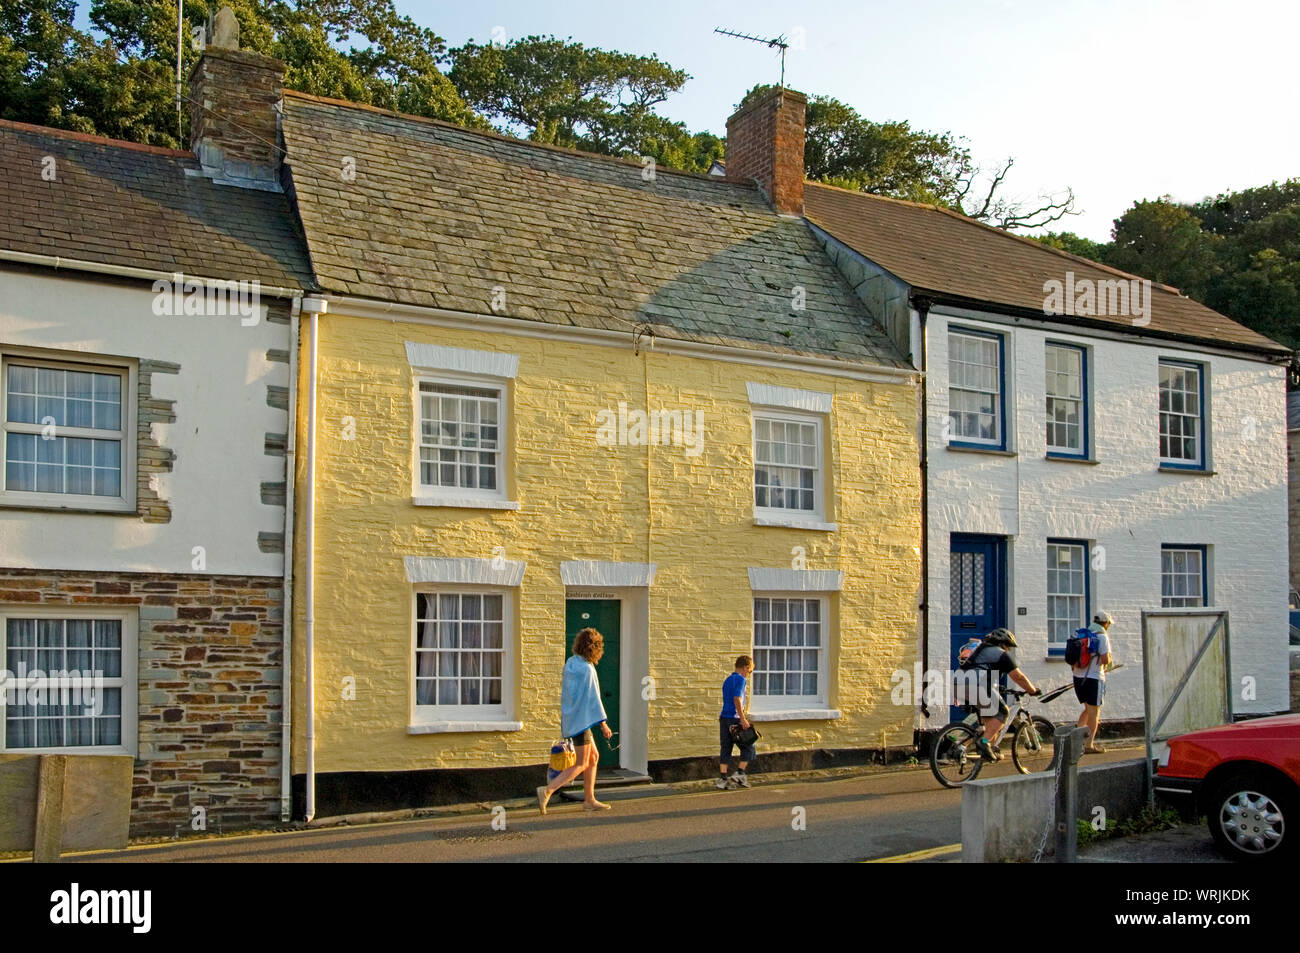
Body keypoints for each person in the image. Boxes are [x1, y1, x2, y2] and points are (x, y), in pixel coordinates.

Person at [537, 627, 613, 814]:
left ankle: (589, 799)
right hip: (582, 723)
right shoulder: (588, 669)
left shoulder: (571, 663)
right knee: (582, 762)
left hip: (573, 719)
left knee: (593, 758)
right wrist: (603, 724)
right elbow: (593, 698)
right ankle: (548, 790)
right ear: (594, 648)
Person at [965, 628, 1041, 762]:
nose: (1009, 650)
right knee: (1003, 713)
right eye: (1008, 646)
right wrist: (1032, 690)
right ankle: (983, 743)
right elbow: (1018, 677)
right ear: (1002, 644)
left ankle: (989, 750)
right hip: (977, 685)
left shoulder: (981, 649)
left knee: (990, 721)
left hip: (960, 683)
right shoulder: (999, 654)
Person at [1074, 610, 1114, 754]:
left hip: (1078, 678)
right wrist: (1109, 658)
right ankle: (1088, 745)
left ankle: (1075, 741)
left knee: (1087, 710)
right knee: (1094, 713)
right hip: (1094, 678)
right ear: (1105, 623)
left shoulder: (1082, 634)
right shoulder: (1102, 637)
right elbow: (1105, 660)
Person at [718, 655, 756, 788]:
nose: (749, 674)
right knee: (749, 747)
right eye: (750, 671)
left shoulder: (727, 680)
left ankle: (723, 780)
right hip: (734, 718)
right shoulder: (741, 679)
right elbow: (737, 699)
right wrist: (743, 719)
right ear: (745, 668)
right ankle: (739, 774)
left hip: (724, 718)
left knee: (726, 747)